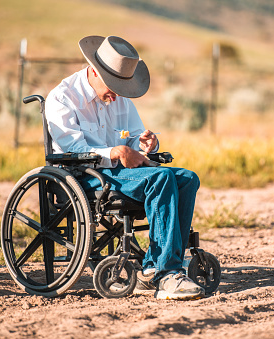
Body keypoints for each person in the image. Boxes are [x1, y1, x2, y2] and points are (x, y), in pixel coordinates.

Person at [45, 35, 204, 300]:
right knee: (161, 179)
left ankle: (157, 267)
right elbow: (72, 151)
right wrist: (116, 153)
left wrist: (145, 143)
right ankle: (166, 273)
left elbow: (132, 135)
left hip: (118, 174)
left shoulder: (117, 98)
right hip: (81, 176)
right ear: (94, 71)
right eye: (113, 85)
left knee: (187, 178)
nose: (117, 93)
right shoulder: (62, 97)